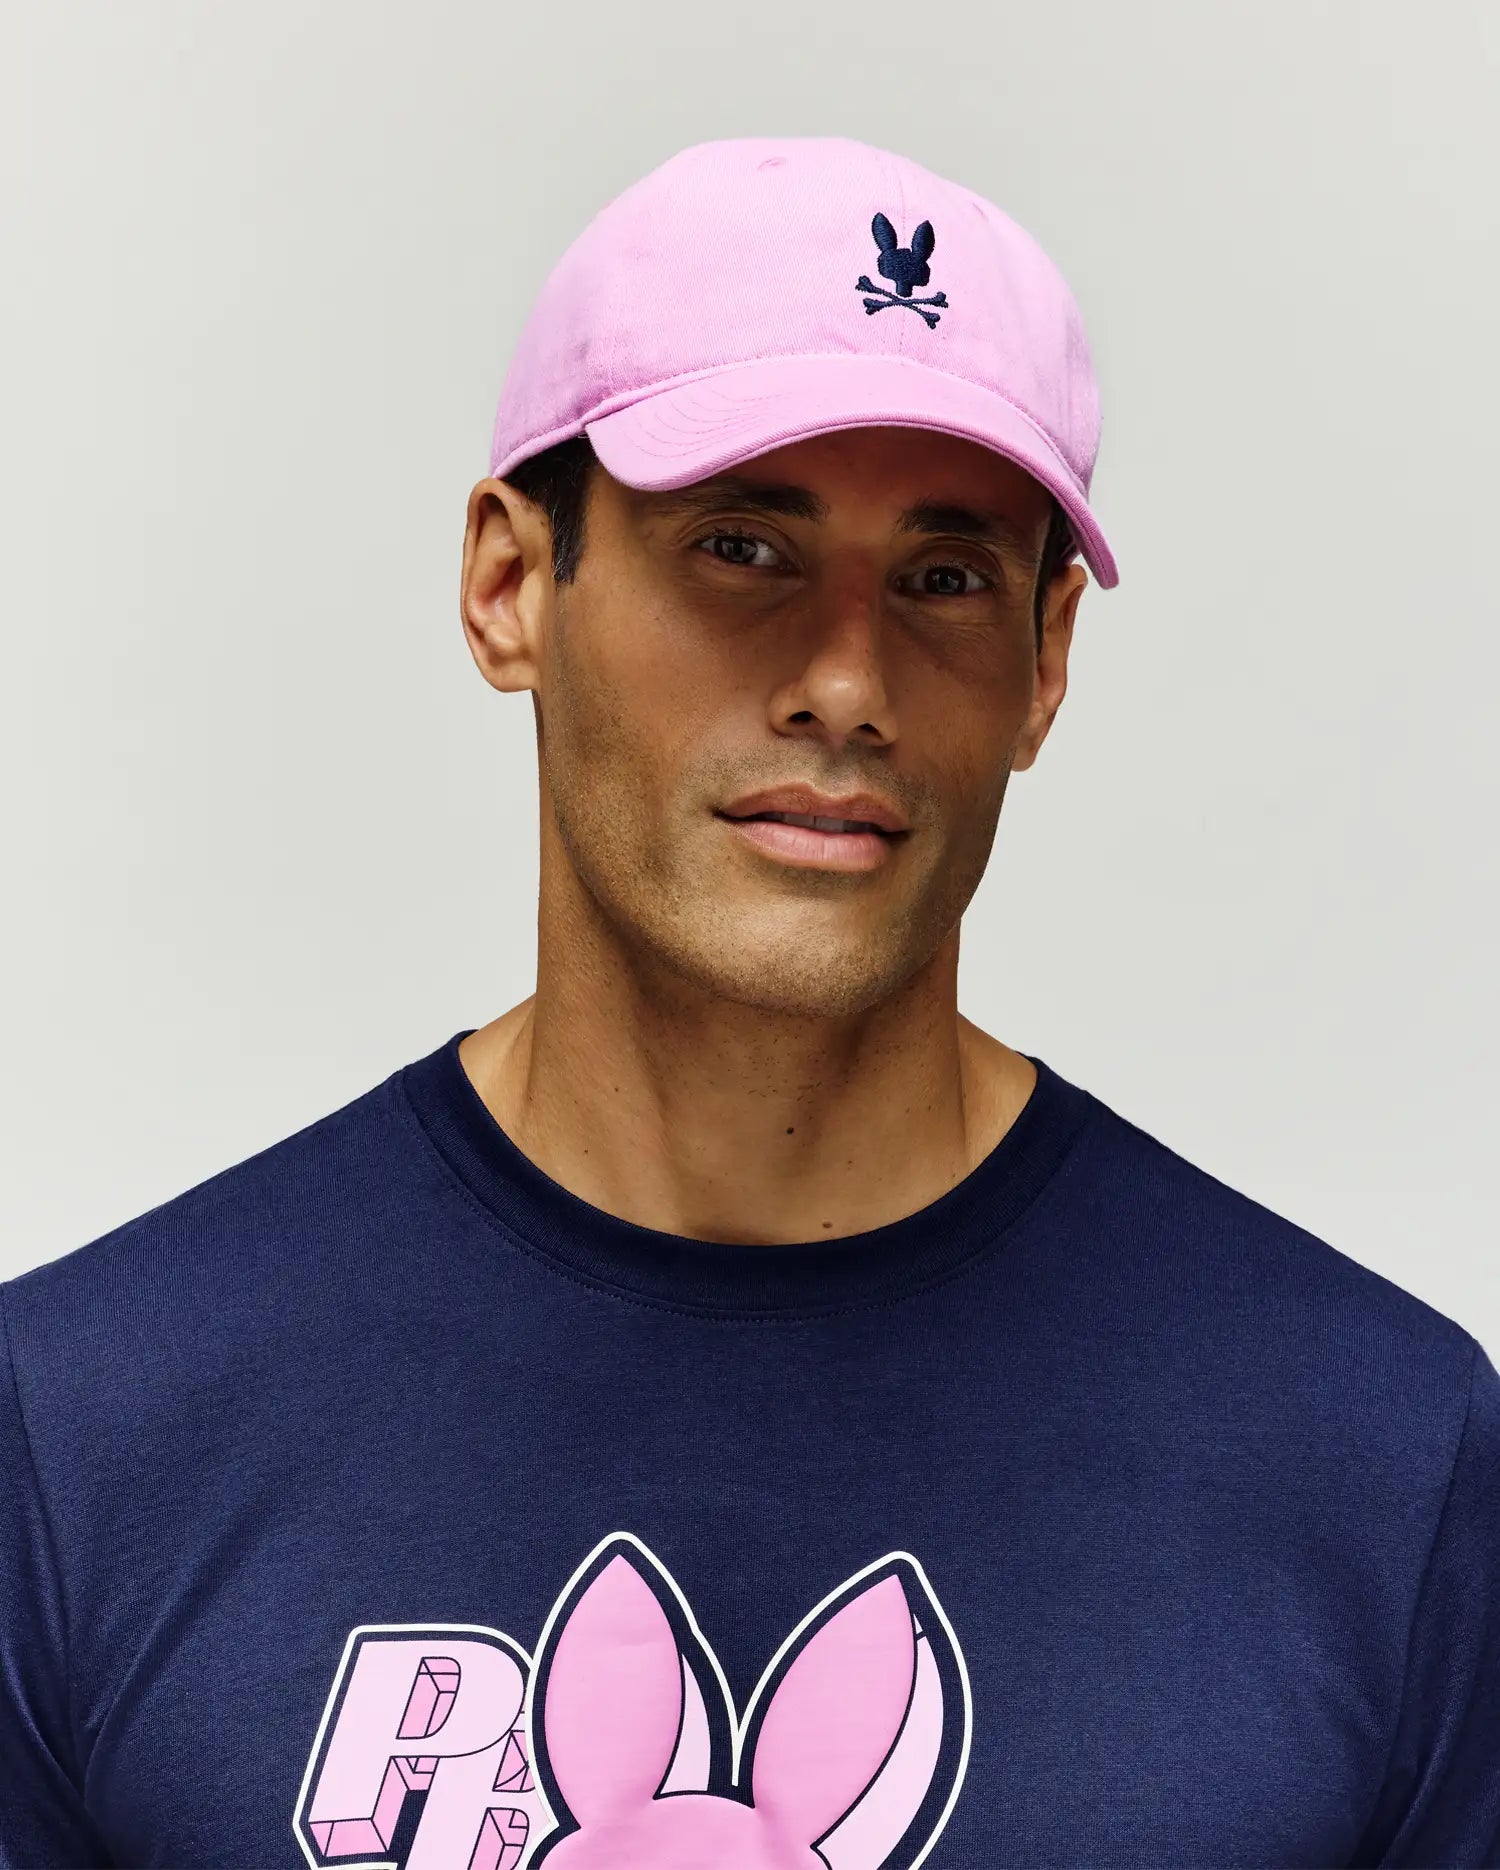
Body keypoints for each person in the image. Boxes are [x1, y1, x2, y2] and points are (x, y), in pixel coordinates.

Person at [2, 135, 1496, 1870]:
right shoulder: (86, 1435)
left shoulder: (1379, 1461)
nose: (847, 681)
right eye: (740, 546)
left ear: (1047, 659)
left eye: (944, 577)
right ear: (509, 586)